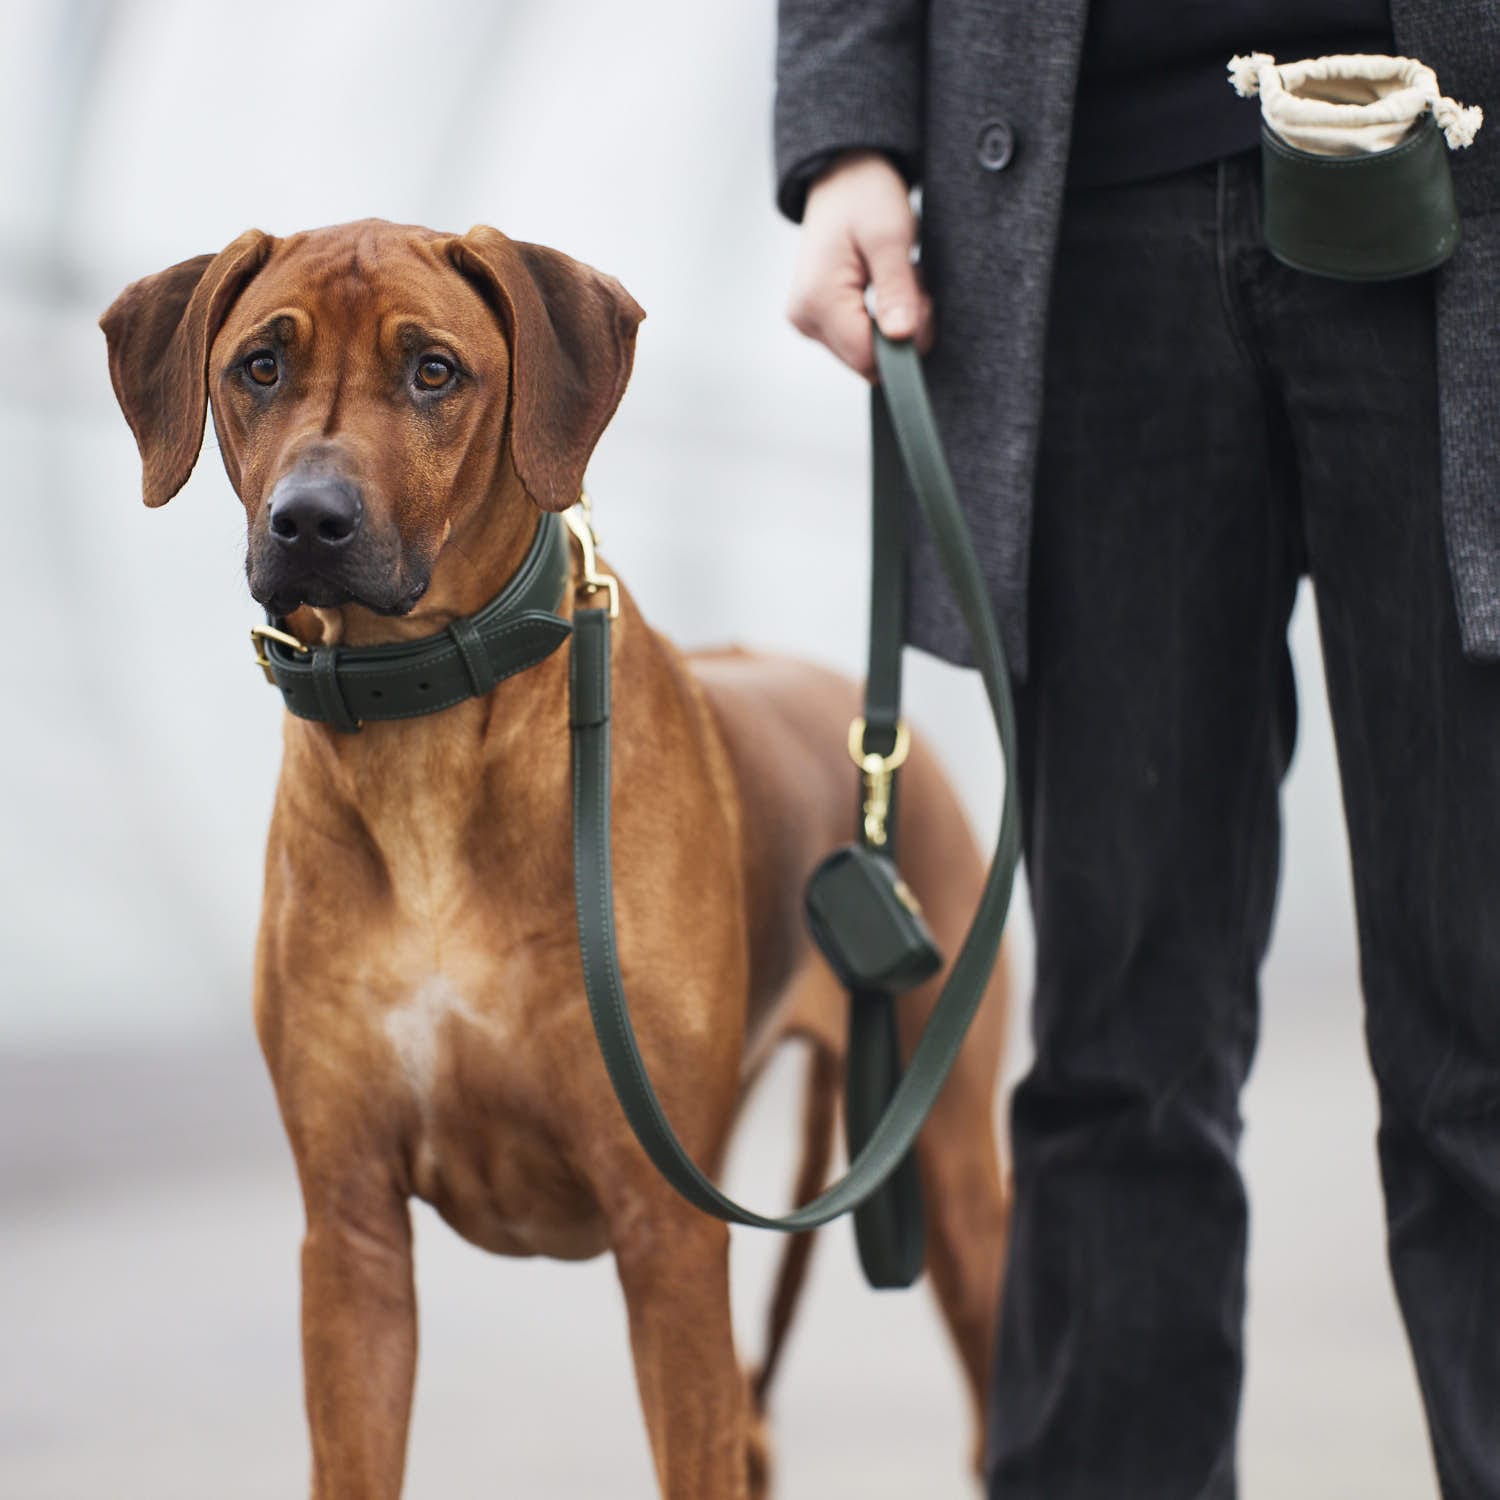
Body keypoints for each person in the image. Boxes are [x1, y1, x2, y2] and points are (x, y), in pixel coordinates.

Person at [774, 3, 1500, 1497]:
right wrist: (847, 124)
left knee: (1483, 1039)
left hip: (1467, 179)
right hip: (1082, 219)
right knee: (1117, 1059)